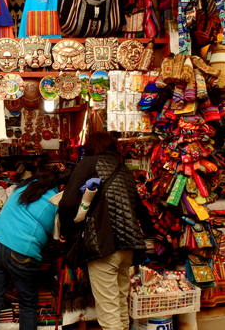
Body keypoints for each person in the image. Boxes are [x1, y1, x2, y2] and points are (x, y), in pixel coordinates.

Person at [59, 132, 145, 330]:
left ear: (90, 146)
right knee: (121, 303)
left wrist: (67, 231)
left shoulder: (88, 164)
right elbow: (139, 207)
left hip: (103, 244)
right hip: (129, 246)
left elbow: (68, 203)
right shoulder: (123, 168)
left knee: (108, 310)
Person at [0, 163, 72, 330]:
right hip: (21, 250)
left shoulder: (27, 186)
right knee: (27, 303)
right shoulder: (56, 200)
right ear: (63, 185)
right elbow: (58, 234)